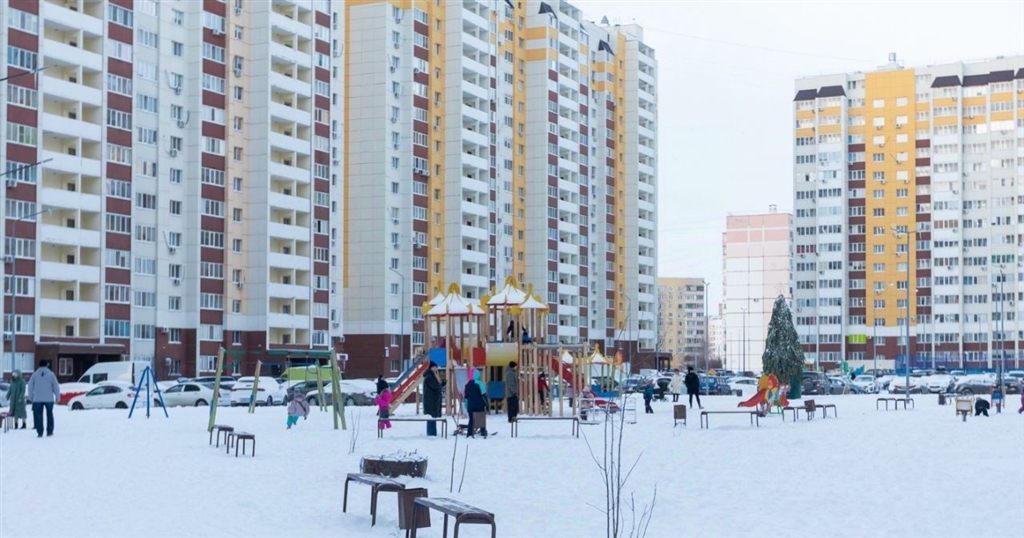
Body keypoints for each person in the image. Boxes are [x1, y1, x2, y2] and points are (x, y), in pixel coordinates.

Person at [26, 360, 61, 438]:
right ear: (47, 365)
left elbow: (30, 386)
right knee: (49, 414)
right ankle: (49, 431)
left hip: (37, 398)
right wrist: (57, 397)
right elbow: (56, 386)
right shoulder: (51, 374)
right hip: (49, 399)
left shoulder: (34, 375)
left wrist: (31, 397)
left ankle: (40, 432)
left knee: (38, 415)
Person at [463, 369, 488, 437]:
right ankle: (482, 431)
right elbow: (483, 394)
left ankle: (470, 433)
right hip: (479, 404)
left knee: (471, 419)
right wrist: (487, 404)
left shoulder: (467, 384)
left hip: (470, 405)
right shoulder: (479, 383)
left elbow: (465, 397)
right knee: (481, 417)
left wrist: (466, 406)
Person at [423, 361, 443, 436]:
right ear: (431, 368)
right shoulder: (430, 376)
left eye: (436, 367)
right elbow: (434, 387)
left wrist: (441, 384)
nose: (436, 369)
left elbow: (435, 386)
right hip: (431, 400)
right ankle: (431, 433)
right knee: (431, 417)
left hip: (432, 400)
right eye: (434, 367)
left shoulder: (433, 375)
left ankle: (432, 432)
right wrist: (441, 385)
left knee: (432, 417)